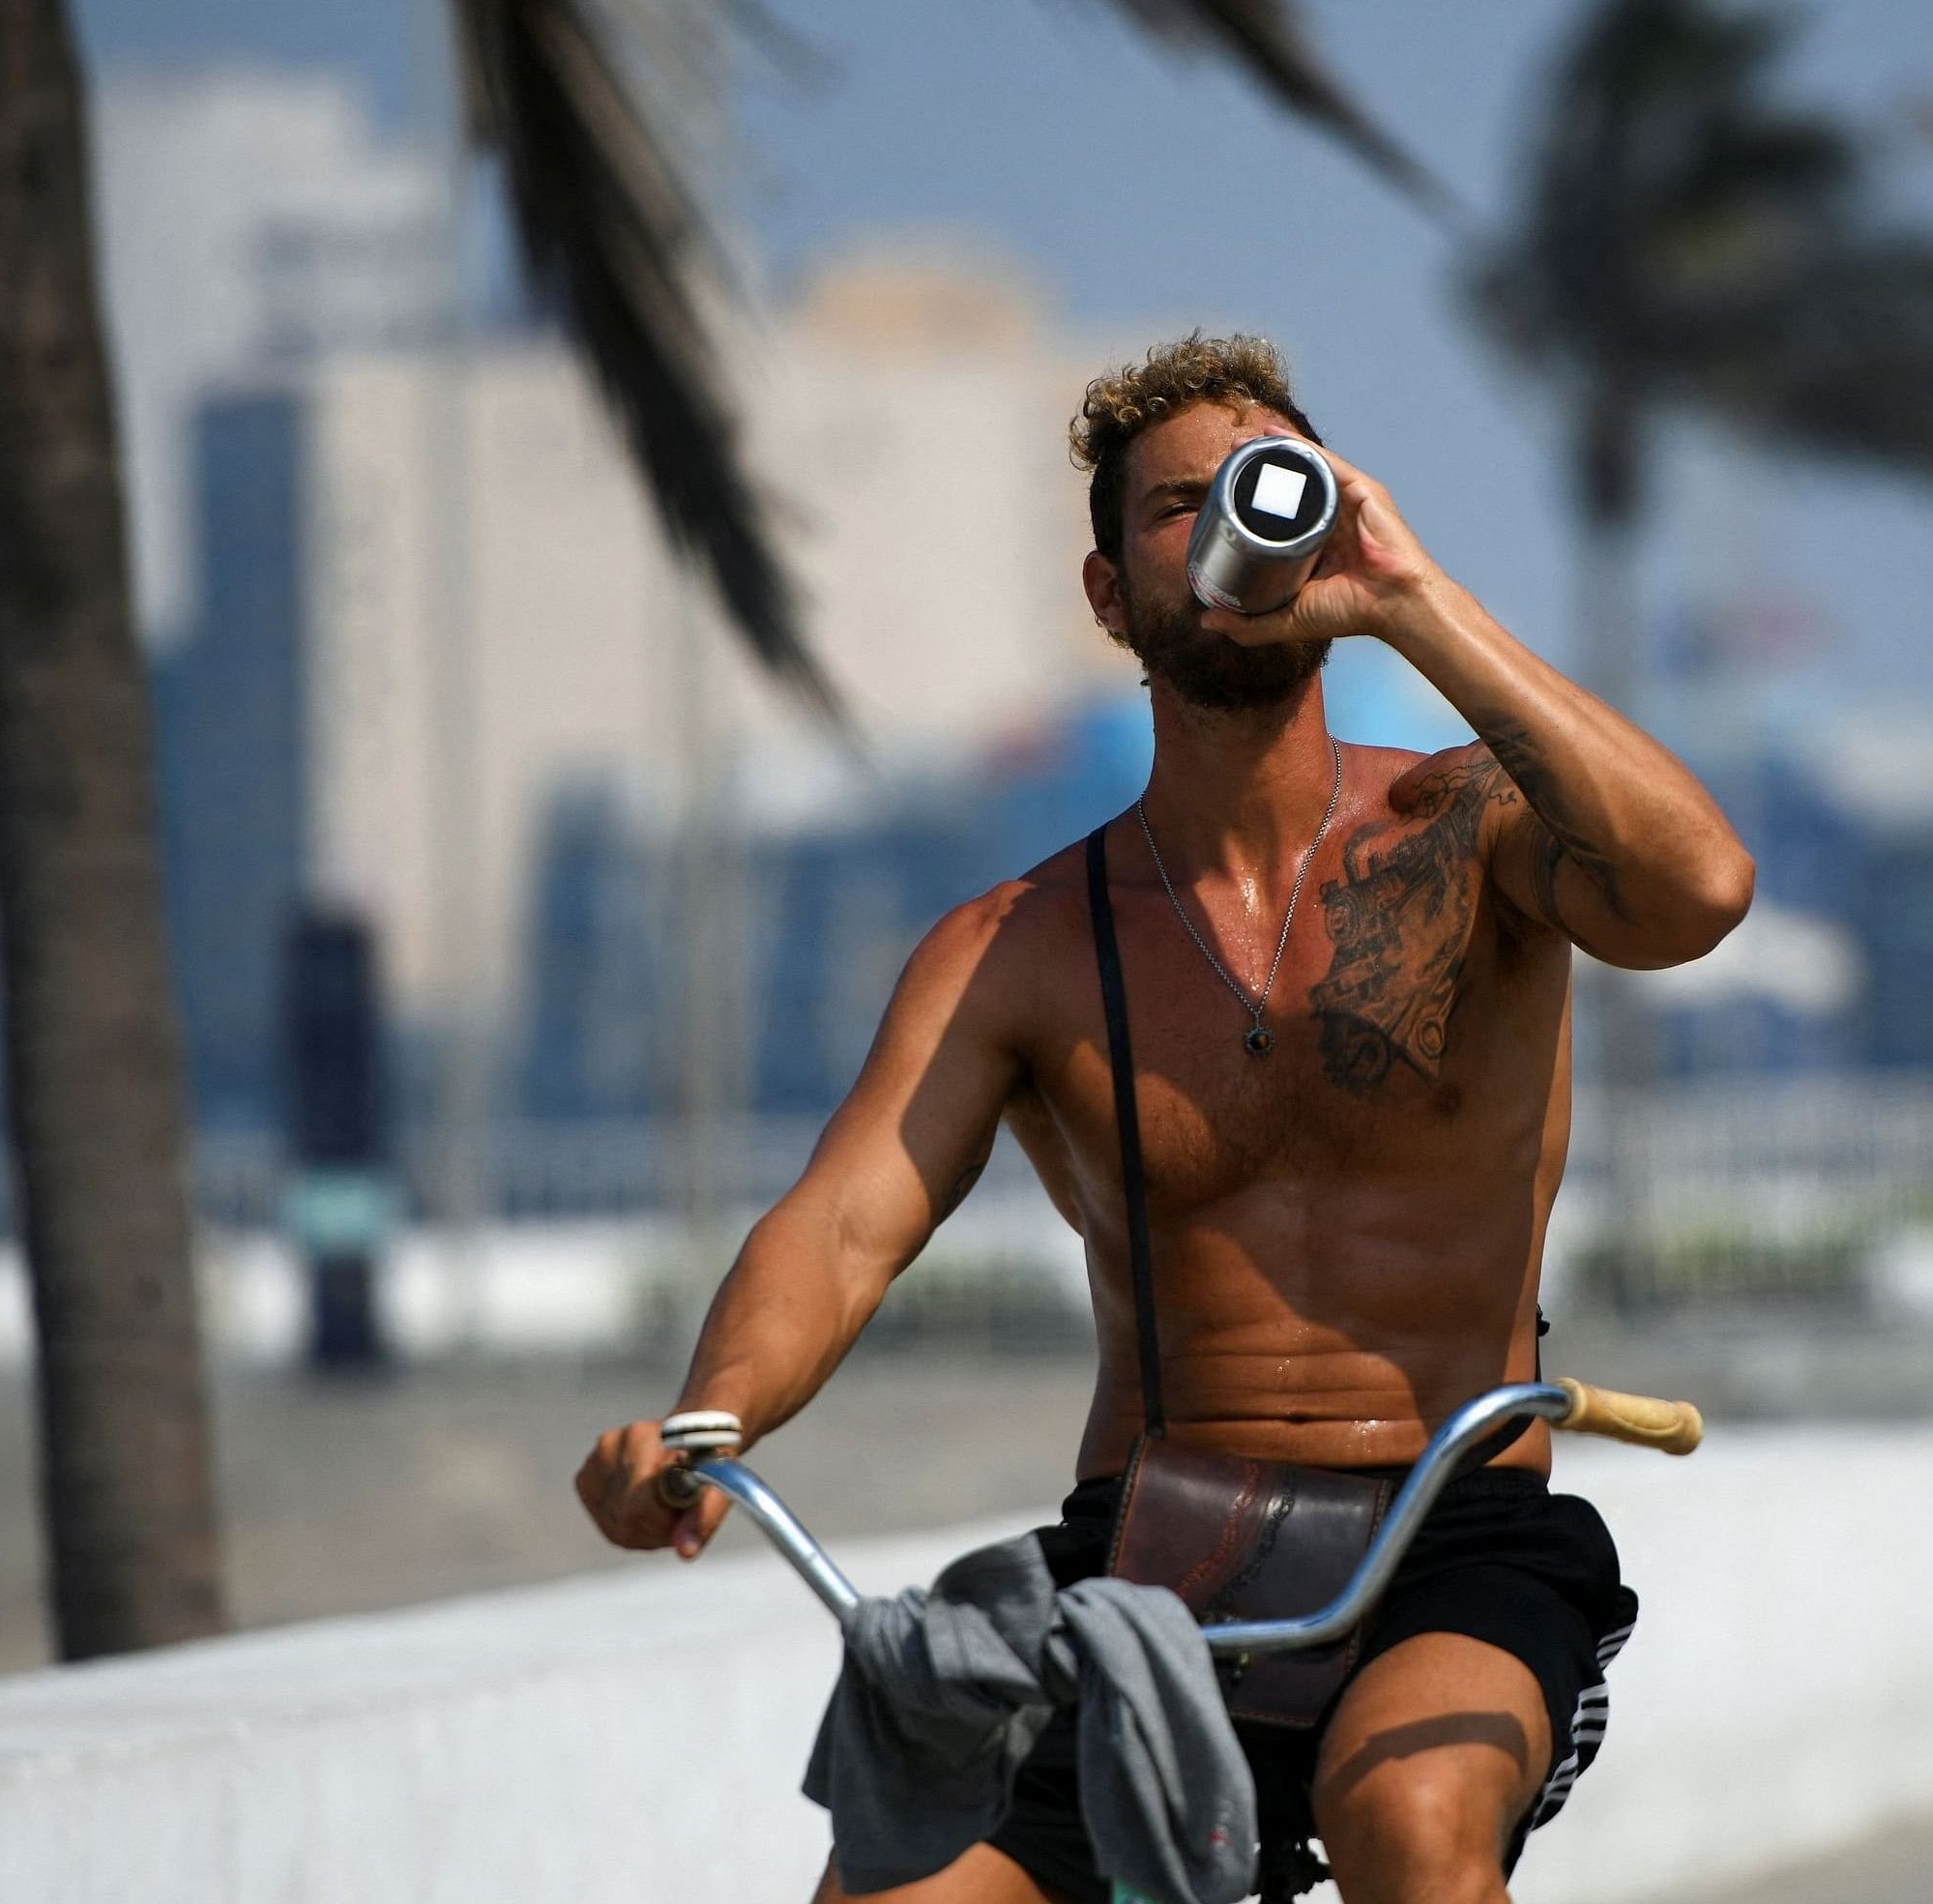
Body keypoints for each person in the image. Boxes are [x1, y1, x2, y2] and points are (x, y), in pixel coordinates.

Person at [576, 334, 1753, 1903]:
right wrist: (708, 1423)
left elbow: (1699, 890)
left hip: (1451, 1531)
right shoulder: (1022, 942)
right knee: (890, 1892)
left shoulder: (1469, 830)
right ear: (1111, 595)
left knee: (1408, 1823)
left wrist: (1411, 596)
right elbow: (848, 1218)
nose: (1228, 533)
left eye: (1265, 492)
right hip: (1159, 1552)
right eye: (1175, 509)